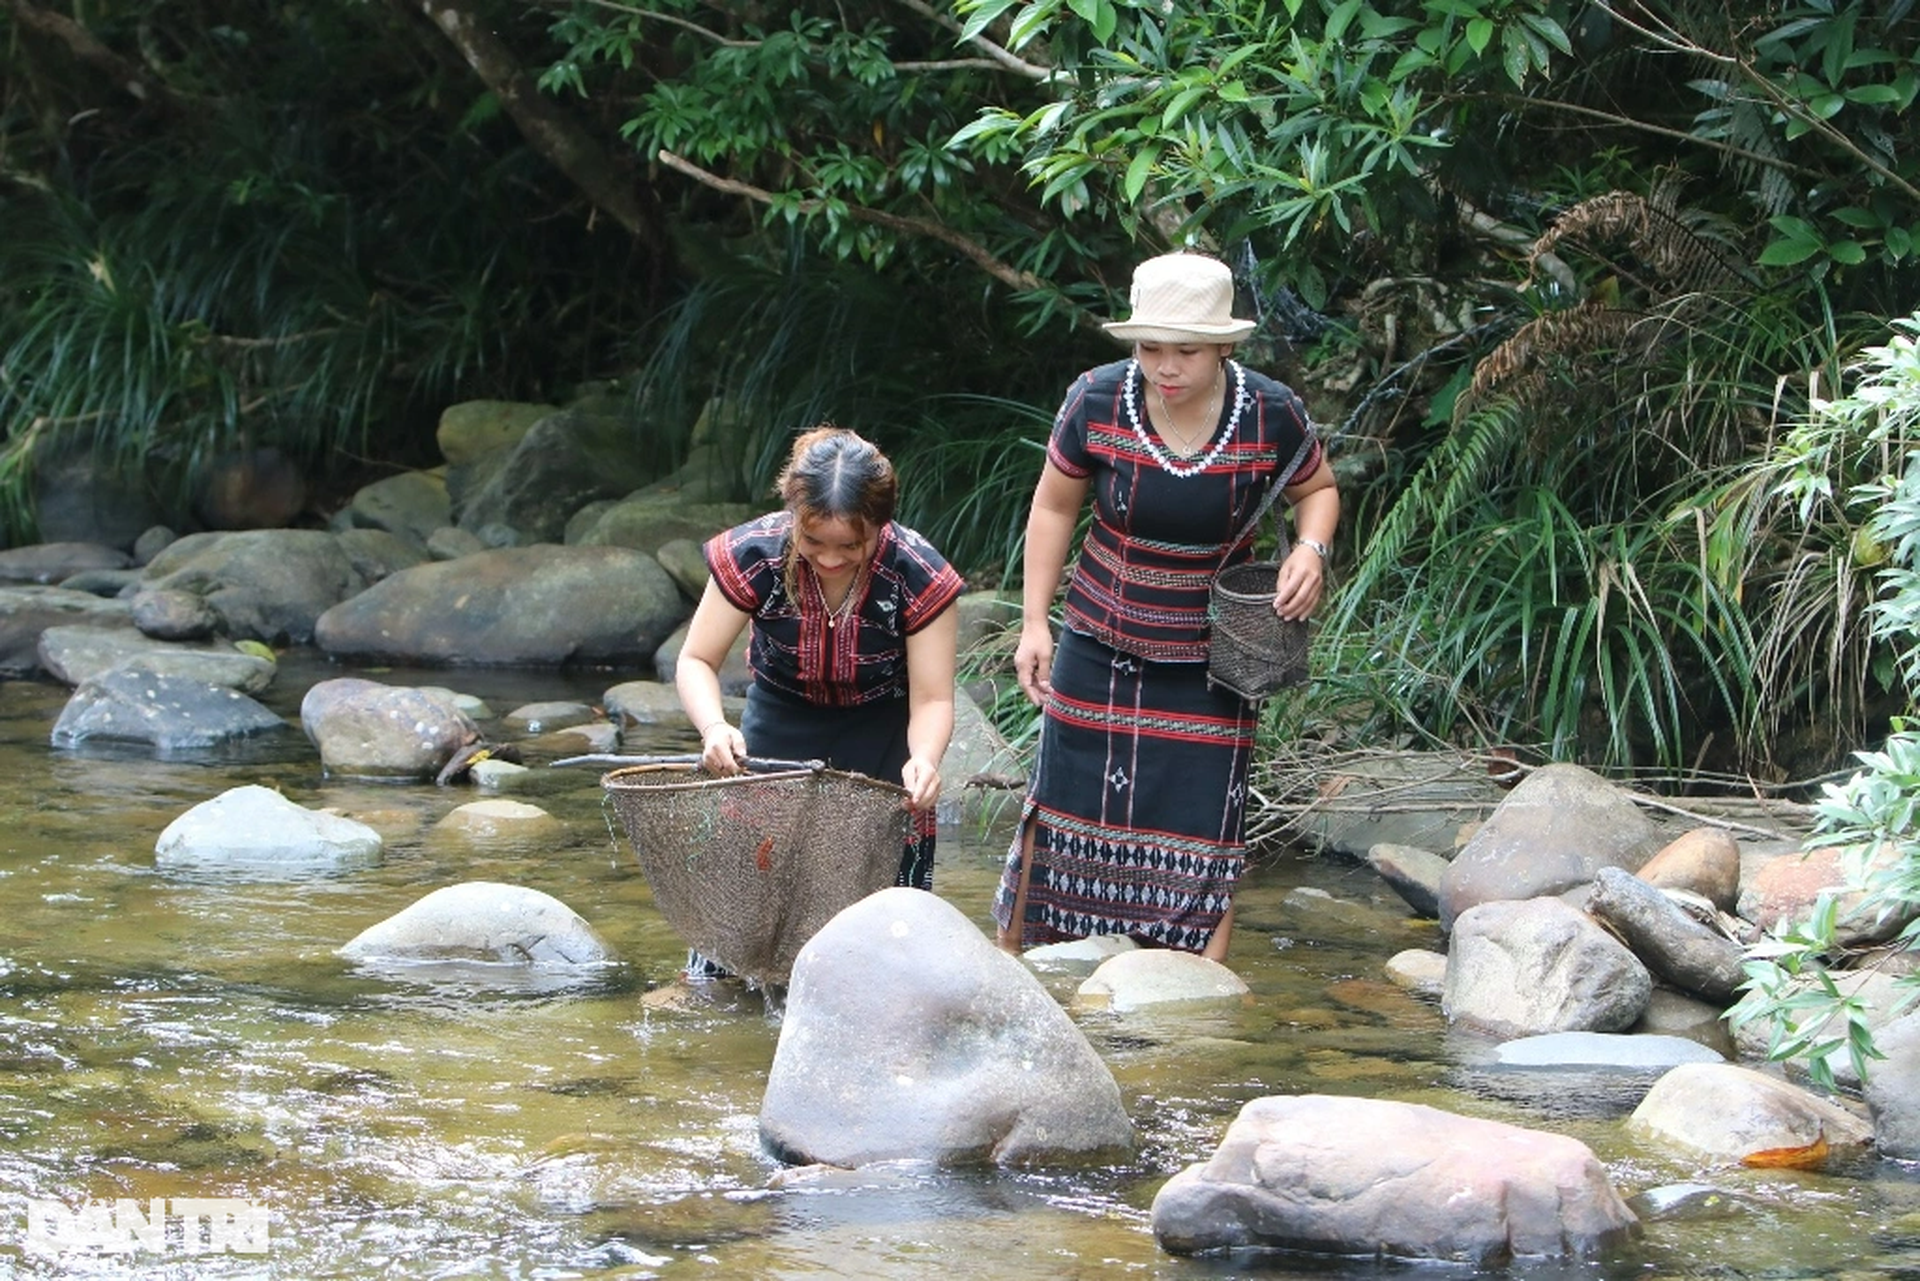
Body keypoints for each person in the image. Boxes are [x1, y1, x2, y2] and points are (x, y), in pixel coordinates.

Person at [991, 252, 1340, 962]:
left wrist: (1312, 550)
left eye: (1187, 350)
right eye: (1150, 348)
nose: (1165, 366)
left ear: (1225, 347)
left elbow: (1319, 489)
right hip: (1099, 634)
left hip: (1213, 655)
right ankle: (1011, 976)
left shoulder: (1270, 410)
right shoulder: (1094, 398)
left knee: (1205, 825)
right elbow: (1053, 506)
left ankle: (1197, 1004)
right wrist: (1034, 622)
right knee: (1059, 810)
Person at [675, 425, 964, 978]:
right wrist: (714, 727)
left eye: (850, 547)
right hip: (779, 721)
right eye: (814, 543)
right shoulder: (754, 552)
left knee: (878, 931)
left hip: (881, 732)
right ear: (793, 518)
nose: (830, 560)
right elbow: (696, 660)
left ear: (879, 527)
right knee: (746, 904)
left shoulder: (917, 573)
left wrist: (924, 759)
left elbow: (931, 699)